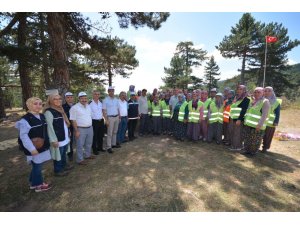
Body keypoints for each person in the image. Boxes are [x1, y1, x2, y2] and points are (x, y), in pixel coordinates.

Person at [15, 97, 52, 192]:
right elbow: (24, 136)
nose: (38, 106)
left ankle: (33, 182)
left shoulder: (41, 116)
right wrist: (32, 149)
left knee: (37, 165)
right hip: (34, 147)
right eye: (35, 103)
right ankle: (38, 185)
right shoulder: (25, 120)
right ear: (29, 105)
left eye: (40, 104)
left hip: (42, 145)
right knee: (37, 166)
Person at [43, 94, 72, 176]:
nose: (58, 100)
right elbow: (49, 127)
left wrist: (68, 131)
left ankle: (64, 166)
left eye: (59, 99)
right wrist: (53, 140)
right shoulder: (49, 112)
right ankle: (58, 170)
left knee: (63, 153)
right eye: (55, 99)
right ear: (50, 101)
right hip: (57, 138)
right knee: (58, 155)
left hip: (64, 136)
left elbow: (64, 123)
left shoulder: (60, 109)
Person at [242, 87, 270, 156]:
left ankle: (252, 152)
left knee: (255, 140)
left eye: (258, 92)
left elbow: (264, 115)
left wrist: (259, 125)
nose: (256, 93)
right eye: (255, 92)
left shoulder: (265, 102)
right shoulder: (253, 101)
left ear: (263, 93)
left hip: (257, 126)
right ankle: (247, 150)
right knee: (248, 138)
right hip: (248, 124)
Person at [70, 92, 95, 165]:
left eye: (85, 98)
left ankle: (87, 155)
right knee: (80, 145)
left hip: (90, 128)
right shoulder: (74, 108)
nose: (84, 100)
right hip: (80, 129)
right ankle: (80, 160)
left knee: (89, 143)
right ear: (79, 99)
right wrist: (76, 131)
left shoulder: (88, 106)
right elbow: (73, 120)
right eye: (82, 98)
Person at [228, 85, 250, 151]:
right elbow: (232, 108)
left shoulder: (246, 99)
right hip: (232, 118)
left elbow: (244, 110)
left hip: (238, 119)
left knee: (237, 133)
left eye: (241, 89)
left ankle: (237, 146)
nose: (239, 90)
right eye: (238, 89)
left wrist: (239, 119)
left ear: (244, 90)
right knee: (232, 132)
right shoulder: (236, 98)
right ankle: (233, 145)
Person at [262, 86, 281, 152]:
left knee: (268, 136)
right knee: (259, 135)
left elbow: (277, 113)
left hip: (270, 123)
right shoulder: (261, 99)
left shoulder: (276, 102)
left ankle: (265, 148)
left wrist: (276, 121)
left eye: (269, 91)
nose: (267, 92)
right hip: (261, 121)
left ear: (272, 92)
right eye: (265, 90)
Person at [102, 86, 120, 153]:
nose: (112, 92)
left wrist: (119, 116)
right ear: (108, 92)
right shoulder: (105, 100)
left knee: (115, 132)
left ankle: (113, 144)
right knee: (109, 133)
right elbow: (103, 110)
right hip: (110, 118)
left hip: (116, 117)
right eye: (110, 91)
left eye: (113, 91)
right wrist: (106, 120)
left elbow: (118, 109)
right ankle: (109, 147)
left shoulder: (116, 99)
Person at [89, 90, 105, 155]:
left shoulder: (101, 103)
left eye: (98, 94)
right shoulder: (90, 103)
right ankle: (94, 149)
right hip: (94, 121)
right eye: (95, 94)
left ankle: (100, 147)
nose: (97, 95)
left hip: (101, 120)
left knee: (101, 135)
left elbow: (102, 112)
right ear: (93, 95)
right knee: (94, 136)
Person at [62, 92, 74, 161]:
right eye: (68, 97)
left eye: (71, 97)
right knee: (70, 141)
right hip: (69, 126)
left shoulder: (76, 105)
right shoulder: (63, 107)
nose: (70, 99)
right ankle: (70, 154)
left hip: (77, 125)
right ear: (65, 98)